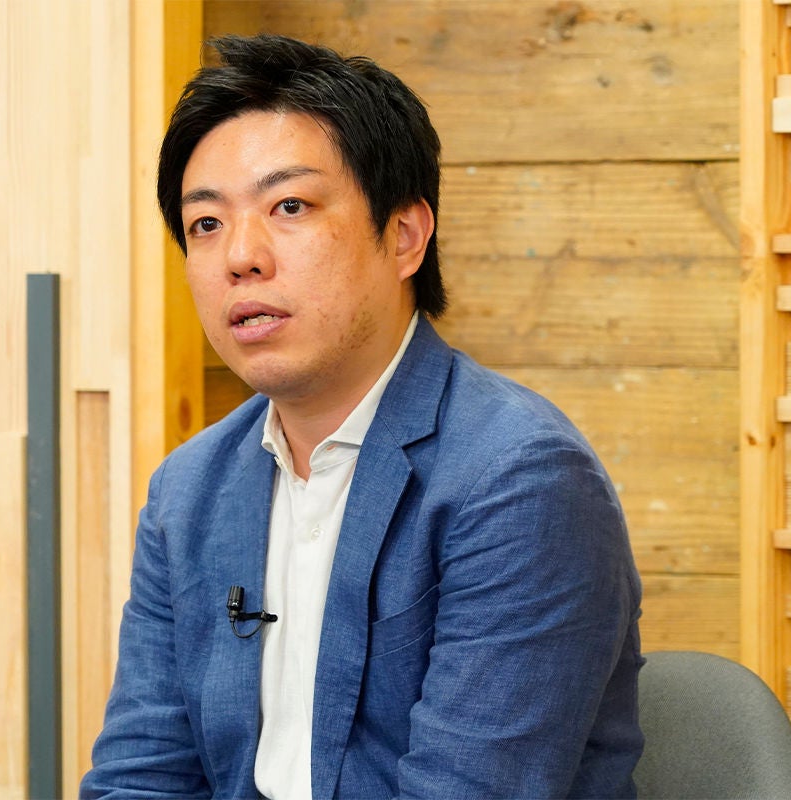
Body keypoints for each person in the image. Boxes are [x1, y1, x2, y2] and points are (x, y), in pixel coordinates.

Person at [81, 33, 643, 800]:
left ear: (404, 237)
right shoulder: (188, 491)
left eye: (289, 206)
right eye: (206, 223)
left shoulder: (518, 480)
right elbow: (140, 778)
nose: (240, 256)